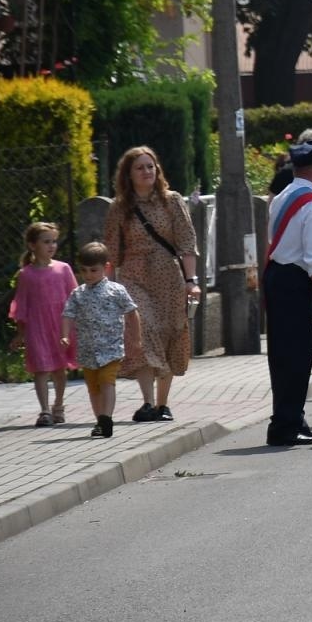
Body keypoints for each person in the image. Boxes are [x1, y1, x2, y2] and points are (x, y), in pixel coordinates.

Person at [104, 147, 200, 423]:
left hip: (168, 276)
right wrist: (109, 289)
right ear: (128, 174)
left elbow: (186, 243)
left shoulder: (172, 201)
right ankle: (147, 402)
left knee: (170, 333)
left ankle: (162, 404)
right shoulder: (119, 207)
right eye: (140, 168)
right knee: (143, 330)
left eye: (151, 166)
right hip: (134, 276)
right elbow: (111, 251)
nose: (147, 172)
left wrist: (190, 282)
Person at [263, 140, 312, 447]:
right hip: (296, 281)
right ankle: (287, 424)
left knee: (282, 354)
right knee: (297, 355)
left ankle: (290, 417)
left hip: (278, 276)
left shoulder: (282, 196)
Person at [62, 242, 140, 438]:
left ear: (106, 267)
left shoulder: (116, 290)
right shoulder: (78, 294)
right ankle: (99, 420)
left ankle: (106, 418)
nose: (88, 275)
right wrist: (64, 335)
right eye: (84, 270)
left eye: (93, 270)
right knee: (93, 389)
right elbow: (68, 315)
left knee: (107, 382)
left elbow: (132, 312)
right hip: (87, 350)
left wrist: (136, 337)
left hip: (111, 349)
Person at [10, 222, 77, 426]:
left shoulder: (63, 269)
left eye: (54, 241)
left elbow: (75, 298)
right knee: (41, 368)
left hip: (60, 326)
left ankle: (58, 405)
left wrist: (76, 325)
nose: (51, 246)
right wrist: (21, 333)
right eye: (46, 241)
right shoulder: (26, 274)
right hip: (37, 327)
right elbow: (21, 305)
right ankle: (45, 411)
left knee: (58, 368)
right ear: (32, 245)